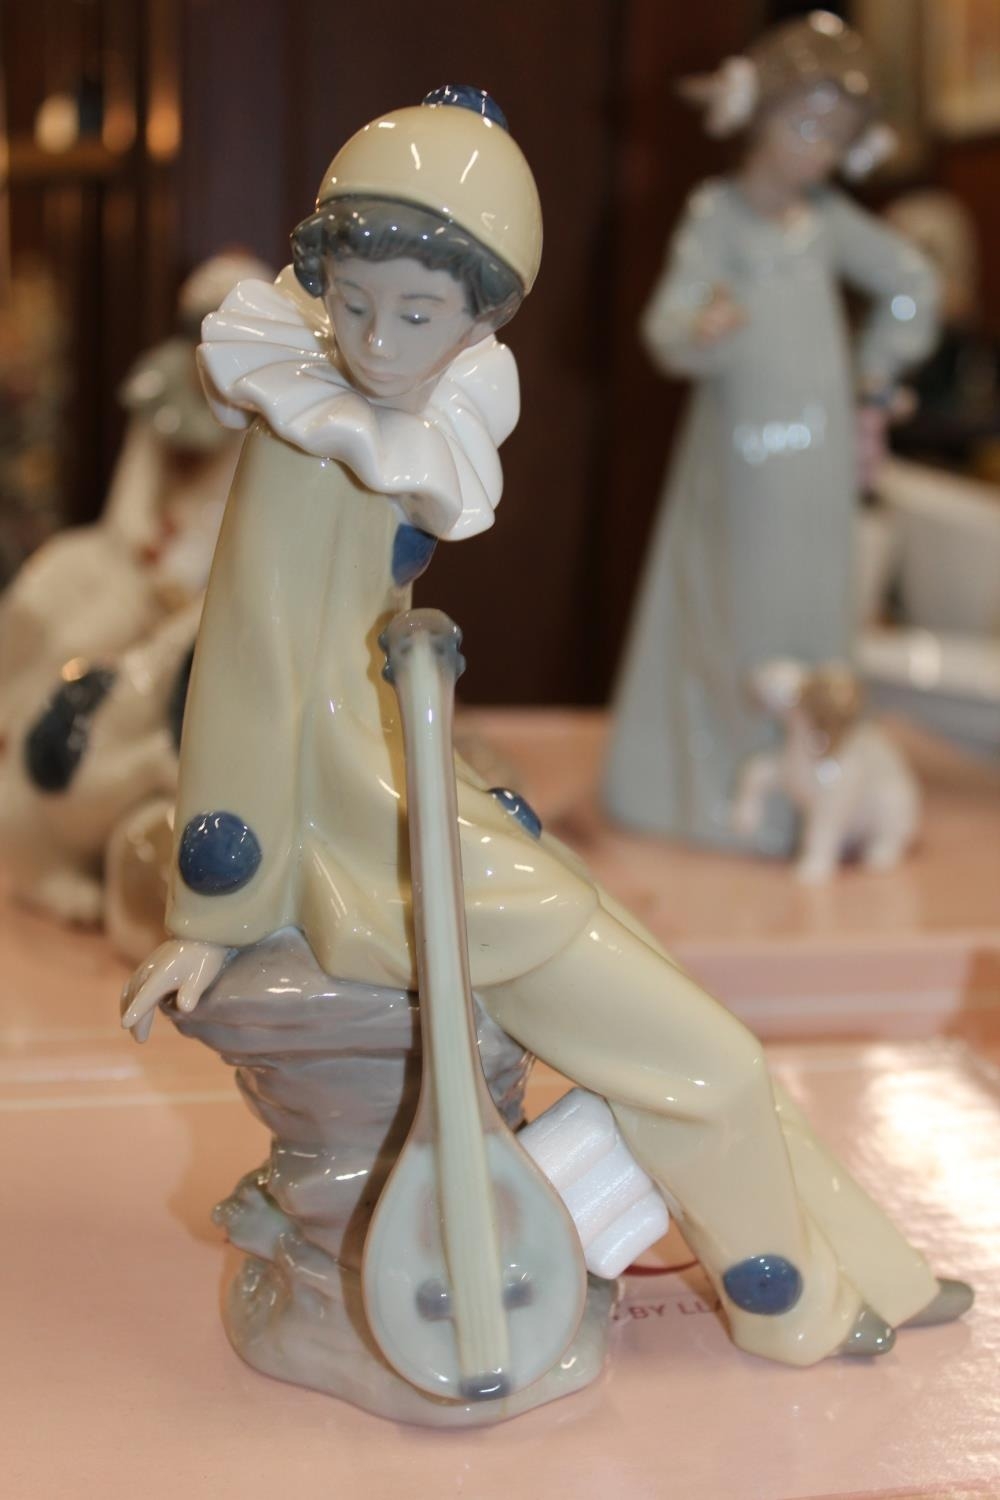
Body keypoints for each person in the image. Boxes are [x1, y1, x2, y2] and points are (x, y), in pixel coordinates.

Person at [121, 85, 968, 1398]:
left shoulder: (396, 420)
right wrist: (217, 903)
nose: (377, 341)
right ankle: (794, 1299)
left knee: (699, 1035)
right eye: (355, 303)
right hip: (360, 835)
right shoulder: (307, 437)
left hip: (408, 786)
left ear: (481, 317)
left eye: (419, 314)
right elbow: (246, 671)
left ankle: (860, 1270)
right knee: (701, 1054)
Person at [604, 12, 940, 854]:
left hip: (818, 456)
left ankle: (812, 782)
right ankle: (718, 789)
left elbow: (912, 283)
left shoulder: (826, 222)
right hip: (739, 456)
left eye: (836, 135)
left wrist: (876, 377)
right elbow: (664, 327)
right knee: (732, 613)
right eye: (803, 124)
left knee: (814, 611)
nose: (815, 150)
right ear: (756, 114)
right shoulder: (717, 215)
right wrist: (702, 326)